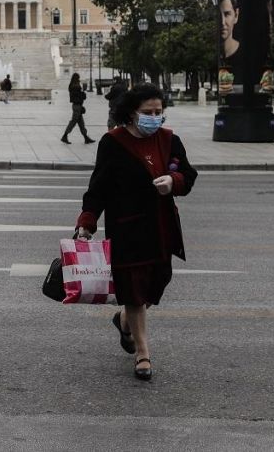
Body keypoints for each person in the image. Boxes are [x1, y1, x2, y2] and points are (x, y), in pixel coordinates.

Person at [73, 83, 198, 381]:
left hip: (161, 228)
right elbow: (98, 188)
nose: (154, 117)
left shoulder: (169, 140)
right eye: (147, 112)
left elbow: (188, 175)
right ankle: (143, 353)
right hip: (127, 229)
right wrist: (87, 223)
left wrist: (174, 181)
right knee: (133, 290)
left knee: (154, 287)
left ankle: (124, 320)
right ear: (131, 113)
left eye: (159, 112)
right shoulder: (113, 142)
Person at [61, 72, 95, 144]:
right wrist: (83, 93)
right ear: (76, 78)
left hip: (77, 105)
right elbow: (78, 95)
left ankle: (86, 138)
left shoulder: (73, 85)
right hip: (77, 106)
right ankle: (65, 136)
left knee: (81, 123)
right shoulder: (75, 86)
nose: (79, 79)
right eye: (78, 78)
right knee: (73, 121)